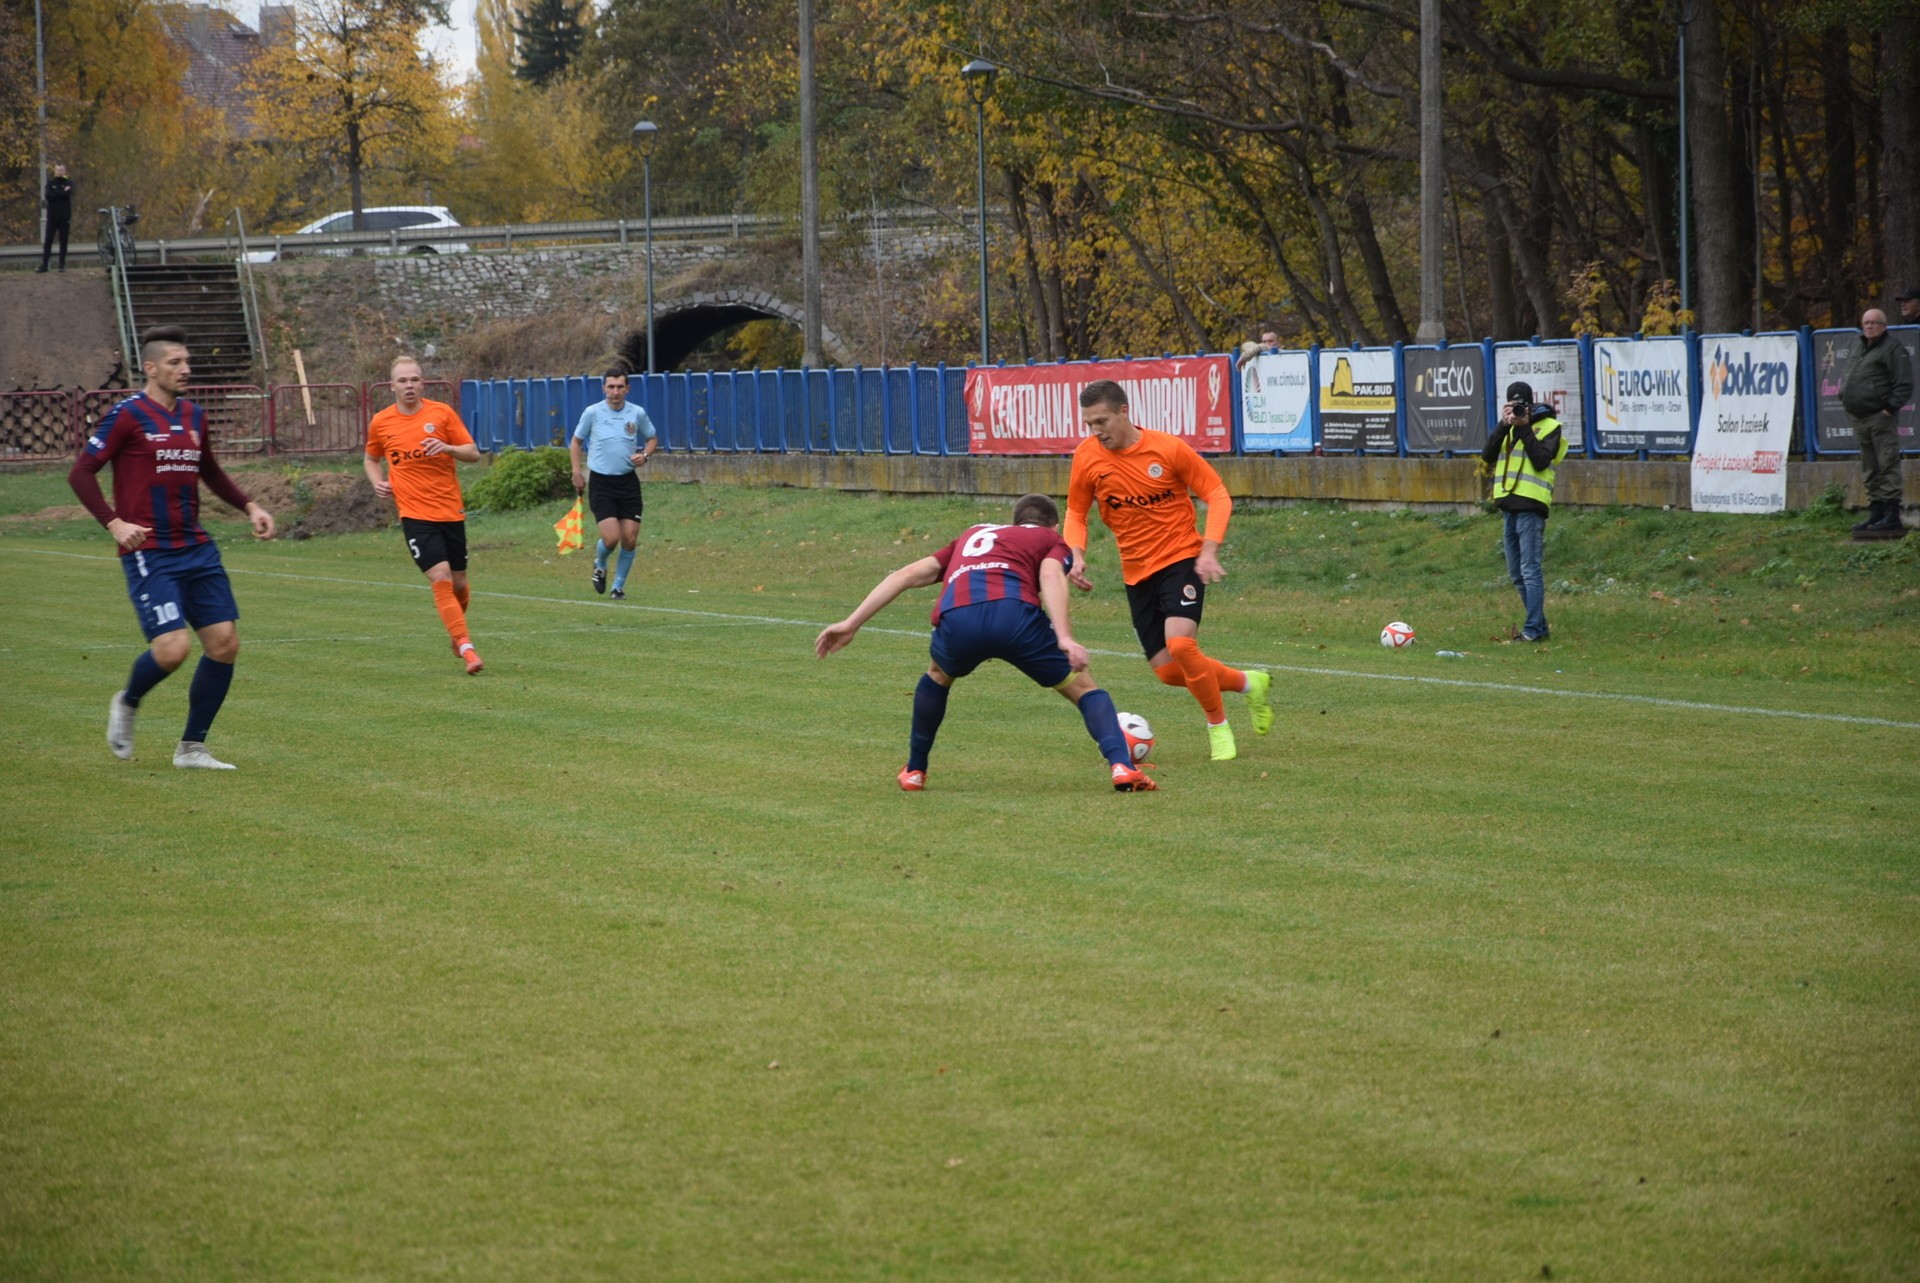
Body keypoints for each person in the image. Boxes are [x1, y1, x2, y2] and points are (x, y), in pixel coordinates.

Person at [816, 493, 1156, 793]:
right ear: (1051, 526)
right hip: (1015, 616)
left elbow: (904, 575)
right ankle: (1122, 766)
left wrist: (851, 623)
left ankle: (915, 771)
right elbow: (1051, 575)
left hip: (958, 618)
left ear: (1014, 521)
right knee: (1084, 689)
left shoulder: (971, 535)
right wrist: (1065, 638)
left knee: (937, 676)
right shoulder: (1049, 540)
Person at [67, 325, 276, 768]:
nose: (186, 369)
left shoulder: (194, 416)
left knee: (224, 643)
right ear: (151, 367)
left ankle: (192, 749)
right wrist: (114, 523)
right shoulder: (127, 415)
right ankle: (127, 701)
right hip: (149, 550)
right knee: (173, 649)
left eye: (187, 361)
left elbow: (211, 472)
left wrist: (250, 506)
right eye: (175, 362)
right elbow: (81, 473)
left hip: (196, 546)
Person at [1063, 379, 1273, 763]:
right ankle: (1248, 683)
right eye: (1089, 423)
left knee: (1181, 644)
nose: (1096, 430)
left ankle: (1217, 726)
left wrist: (1209, 551)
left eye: (1102, 421)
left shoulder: (1168, 448)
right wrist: (1075, 553)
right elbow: (1076, 512)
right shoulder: (1087, 457)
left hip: (1181, 558)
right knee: (1167, 671)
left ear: (1124, 412)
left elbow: (1217, 494)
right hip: (1136, 571)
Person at [364, 357, 488, 671]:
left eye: (414, 380)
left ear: (423, 384)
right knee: (441, 577)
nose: (409, 386)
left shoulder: (441, 413)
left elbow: (473, 453)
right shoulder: (381, 422)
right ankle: (467, 648)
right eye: (402, 381)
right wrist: (378, 482)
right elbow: (371, 458)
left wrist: (447, 448)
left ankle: (455, 632)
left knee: (459, 583)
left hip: (450, 510)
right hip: (414, 515)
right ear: (391, 386)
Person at [1479, 380, 1568, 641]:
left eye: (1521, 405)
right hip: (1508, 505)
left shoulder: (1550, 426)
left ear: (1530, 404)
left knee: (1530, 569)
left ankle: (1532, 631)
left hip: (1531, 506)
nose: (1517, 409)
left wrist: (1525, 427)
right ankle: (1538, 627)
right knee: (1516, 574)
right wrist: (1503, 425)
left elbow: (1541, 461)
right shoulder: (1507, 427)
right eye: (1512, 405)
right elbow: (1487, 455)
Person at [568, 368, 658, 599]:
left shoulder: (636, 413)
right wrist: (577, 472)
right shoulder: (592, 412)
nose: (615, 391)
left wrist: (645, 455)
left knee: (629, 538)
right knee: (611, 538)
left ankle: (617, 588)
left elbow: (652, 438)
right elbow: (576, 442)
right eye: (611, 387)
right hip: (601, 483)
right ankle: (600, 563)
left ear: (627, 388)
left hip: (628, 483)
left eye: (620, 387)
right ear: (604, 388)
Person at [1839, 308, 1913, 539]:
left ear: (1884, 325)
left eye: (1874, 322)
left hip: (1880, 416)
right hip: (1858, 416)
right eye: (1866, 322)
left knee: (1887, 462)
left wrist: (1888, 409)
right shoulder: (1858, 347)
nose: (1869, 326)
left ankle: (1891, 513)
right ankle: (1876, 510)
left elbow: (1903, 383)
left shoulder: (1892, 349)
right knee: (1869, 466)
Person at [37, 164, 72, 273]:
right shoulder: (50, 183)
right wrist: (62, 192)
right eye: (57, 170)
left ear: (64, 171)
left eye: (61, 170)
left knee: (63, 240)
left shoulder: (69, 183)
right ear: (55, 171)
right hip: (52, 217)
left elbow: (68, 195)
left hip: (64, 216)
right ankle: (45, 264)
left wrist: (56, 193)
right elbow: (48, 196)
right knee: (48, 240)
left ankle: (61, 264)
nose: (59, 172)